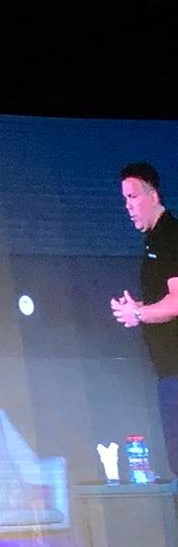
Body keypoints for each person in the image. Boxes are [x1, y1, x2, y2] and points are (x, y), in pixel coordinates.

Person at [110, 163, 178, 472]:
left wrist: (138, 313)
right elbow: (163, 298)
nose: (128, 206)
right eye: (124, 199)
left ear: (153, 196)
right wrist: (139, 307)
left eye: (133, 197)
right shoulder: (153, 239)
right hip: (167, 372)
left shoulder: (169, 236)